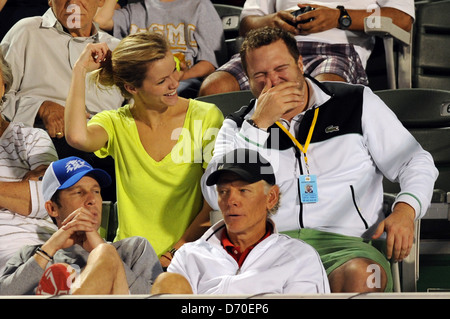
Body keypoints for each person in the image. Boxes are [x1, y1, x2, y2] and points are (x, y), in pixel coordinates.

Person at [201, 27, 438, 293]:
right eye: (261, 75)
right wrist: (258, 127)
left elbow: (415, 161)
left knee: (364, 275)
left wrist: (406, 211)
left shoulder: (355, 102)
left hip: (348, 246)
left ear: (300, 63)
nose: (273, 82)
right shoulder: (239, 126)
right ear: (248, 79)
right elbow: (214, 194)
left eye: (281, 68)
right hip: (270, 249)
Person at [64, 31, 224, 268]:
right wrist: (79, 71)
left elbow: (213, 201)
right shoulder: (115, 122)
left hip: (189, 256)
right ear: (132, 88)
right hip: (129, 260)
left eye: (173, 70)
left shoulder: (206, 116)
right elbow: (77, 137)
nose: (174, 83)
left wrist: (174, 252)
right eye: (161, 81)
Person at [153, 148, 330, 295]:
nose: (231, 200)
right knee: (169, 281)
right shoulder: (189, 256)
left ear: (271, 197)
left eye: (243, 190)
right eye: (223, 191)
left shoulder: (299, 257)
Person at [0, 0, 124, 201]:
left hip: (103, 147)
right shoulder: (27, 32)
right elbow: (1, 99)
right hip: (45, 141)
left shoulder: (116, 50)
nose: (73, 2)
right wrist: (40, 107)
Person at [0, 156, 162, 295]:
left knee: (106, 252)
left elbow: (152, 297)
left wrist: (101, 251)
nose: (92, 199)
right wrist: (50, 248)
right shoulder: (30, 256)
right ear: (52, 208)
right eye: (79, 192)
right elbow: (4, 294)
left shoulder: (133, 249)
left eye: (96, 191)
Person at [198, 0, 414, 96]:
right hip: (274, 47)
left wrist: (339, 17)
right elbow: (247, 23)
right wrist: (273, 21)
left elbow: (402, 19)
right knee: (214, 89)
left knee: (322, 93)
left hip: (335, 49)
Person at [0, 50, 58, 274]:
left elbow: (48, 199)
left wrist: (36, 193)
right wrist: (20, 192)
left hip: (47, 247)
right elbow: (32, 197)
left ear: (3, 85)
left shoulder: (32, 138)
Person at [94, 0, 226, 98]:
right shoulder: (136, 9)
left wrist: (184, 75)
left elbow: (210, 64)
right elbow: (101, 20)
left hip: (182, 82)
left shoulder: (200, 6)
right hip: (140, 81)